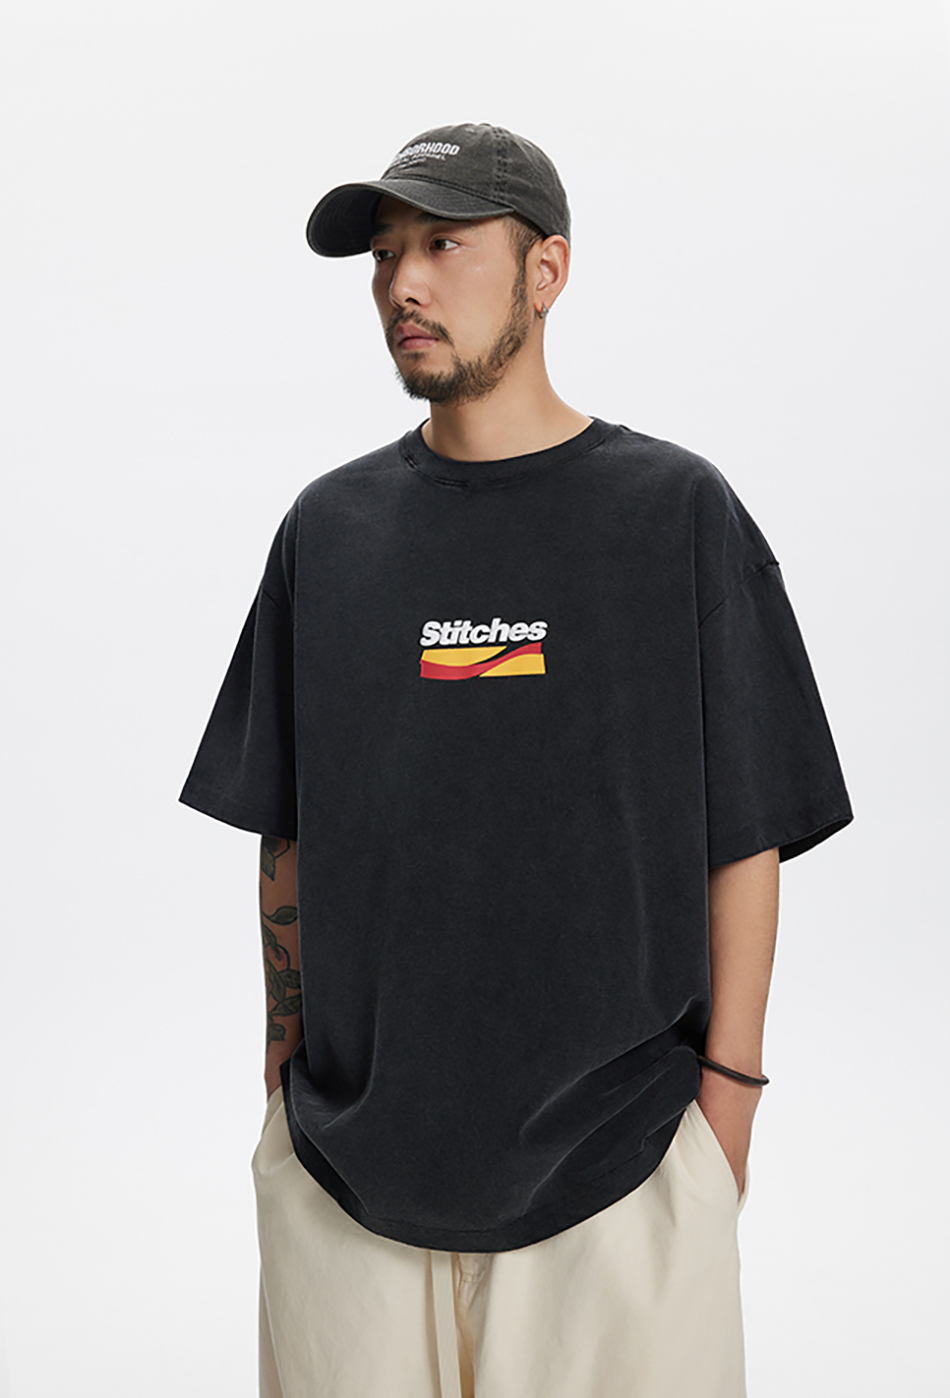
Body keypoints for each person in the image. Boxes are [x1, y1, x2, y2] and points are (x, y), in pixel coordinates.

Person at [178, 122, 853, 1398]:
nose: (403, 284)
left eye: (443, 245)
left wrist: (725, 1113)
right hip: (348, 1184)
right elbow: (287, 830)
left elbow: (747, 832)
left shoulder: (674, 515)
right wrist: (284, 1080)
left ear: (546, 270)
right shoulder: (328, 531)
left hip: (620, 1178)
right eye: (384, 254)